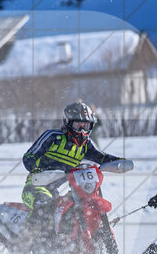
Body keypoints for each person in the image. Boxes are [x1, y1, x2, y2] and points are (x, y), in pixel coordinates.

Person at [21, 101, 122, 241]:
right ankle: (23, 248)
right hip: (36, 187)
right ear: (67, 123)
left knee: (76, 208)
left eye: (85, 126)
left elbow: (102, 157)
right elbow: (29, 156)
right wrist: (35, 168)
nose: (81, 130)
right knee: (44, 207)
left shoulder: (86, 145)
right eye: (77, 125)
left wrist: (118, 161)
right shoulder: (53, 137)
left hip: (59, 191)